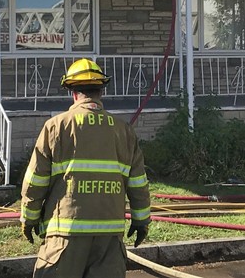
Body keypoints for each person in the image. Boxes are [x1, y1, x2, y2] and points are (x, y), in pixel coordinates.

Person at [20, 58, 151, 278]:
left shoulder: (56, 127)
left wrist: (29, 218)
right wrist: (141, 221)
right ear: (101, 91)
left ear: (72, 92)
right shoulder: (124, 131)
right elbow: (138, 183)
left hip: (65, 235)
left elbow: (36, 180)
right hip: (109, 239)